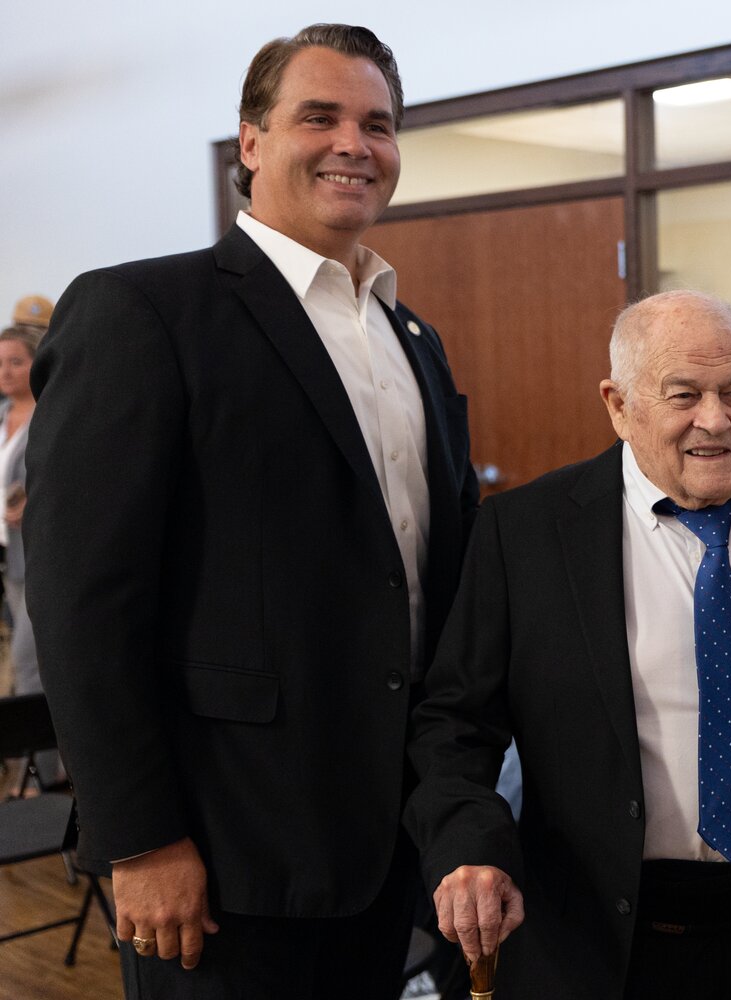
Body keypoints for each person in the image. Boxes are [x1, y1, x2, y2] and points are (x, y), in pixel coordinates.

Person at [28, 23, 478, 999]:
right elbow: (82, 602)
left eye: (379, 124)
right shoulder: (144, 314)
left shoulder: (414, 339)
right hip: (223, 856)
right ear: (252, 142)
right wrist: (141, 837)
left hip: (387, 847)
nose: (354, 144)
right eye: (319, 116)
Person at [404, 290, 731, 999]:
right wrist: (471, 848)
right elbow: (454, 724)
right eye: (684, 394)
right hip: (598, 940)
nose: (715, 420)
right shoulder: (527, 535)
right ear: (619, 404)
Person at [0, 325, 50, 792]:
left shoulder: (51, 414)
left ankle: (39, 776)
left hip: (38, 557)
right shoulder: (2, 418)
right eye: (0, 363)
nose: (6, 372)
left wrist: (33, 503)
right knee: (22, 666)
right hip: (8, 562)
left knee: (31, 662)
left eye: (16, 361)